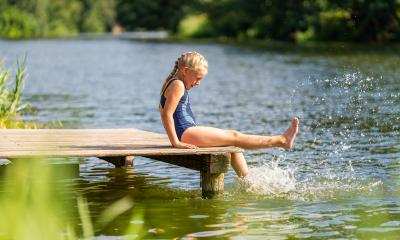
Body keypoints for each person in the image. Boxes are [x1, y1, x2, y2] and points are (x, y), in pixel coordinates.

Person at [159, 51, 299, 177]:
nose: (198, 83)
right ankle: (281, 141)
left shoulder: (172, 83)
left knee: (232, 147)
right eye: (197, 78)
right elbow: (166, 115)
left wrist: (176, 139)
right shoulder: (178, 85)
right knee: (234, 136)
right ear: (185, 71)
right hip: (186, 133)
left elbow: (163, 111)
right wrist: (176, 143)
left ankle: (247, 182)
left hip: (186, 133)